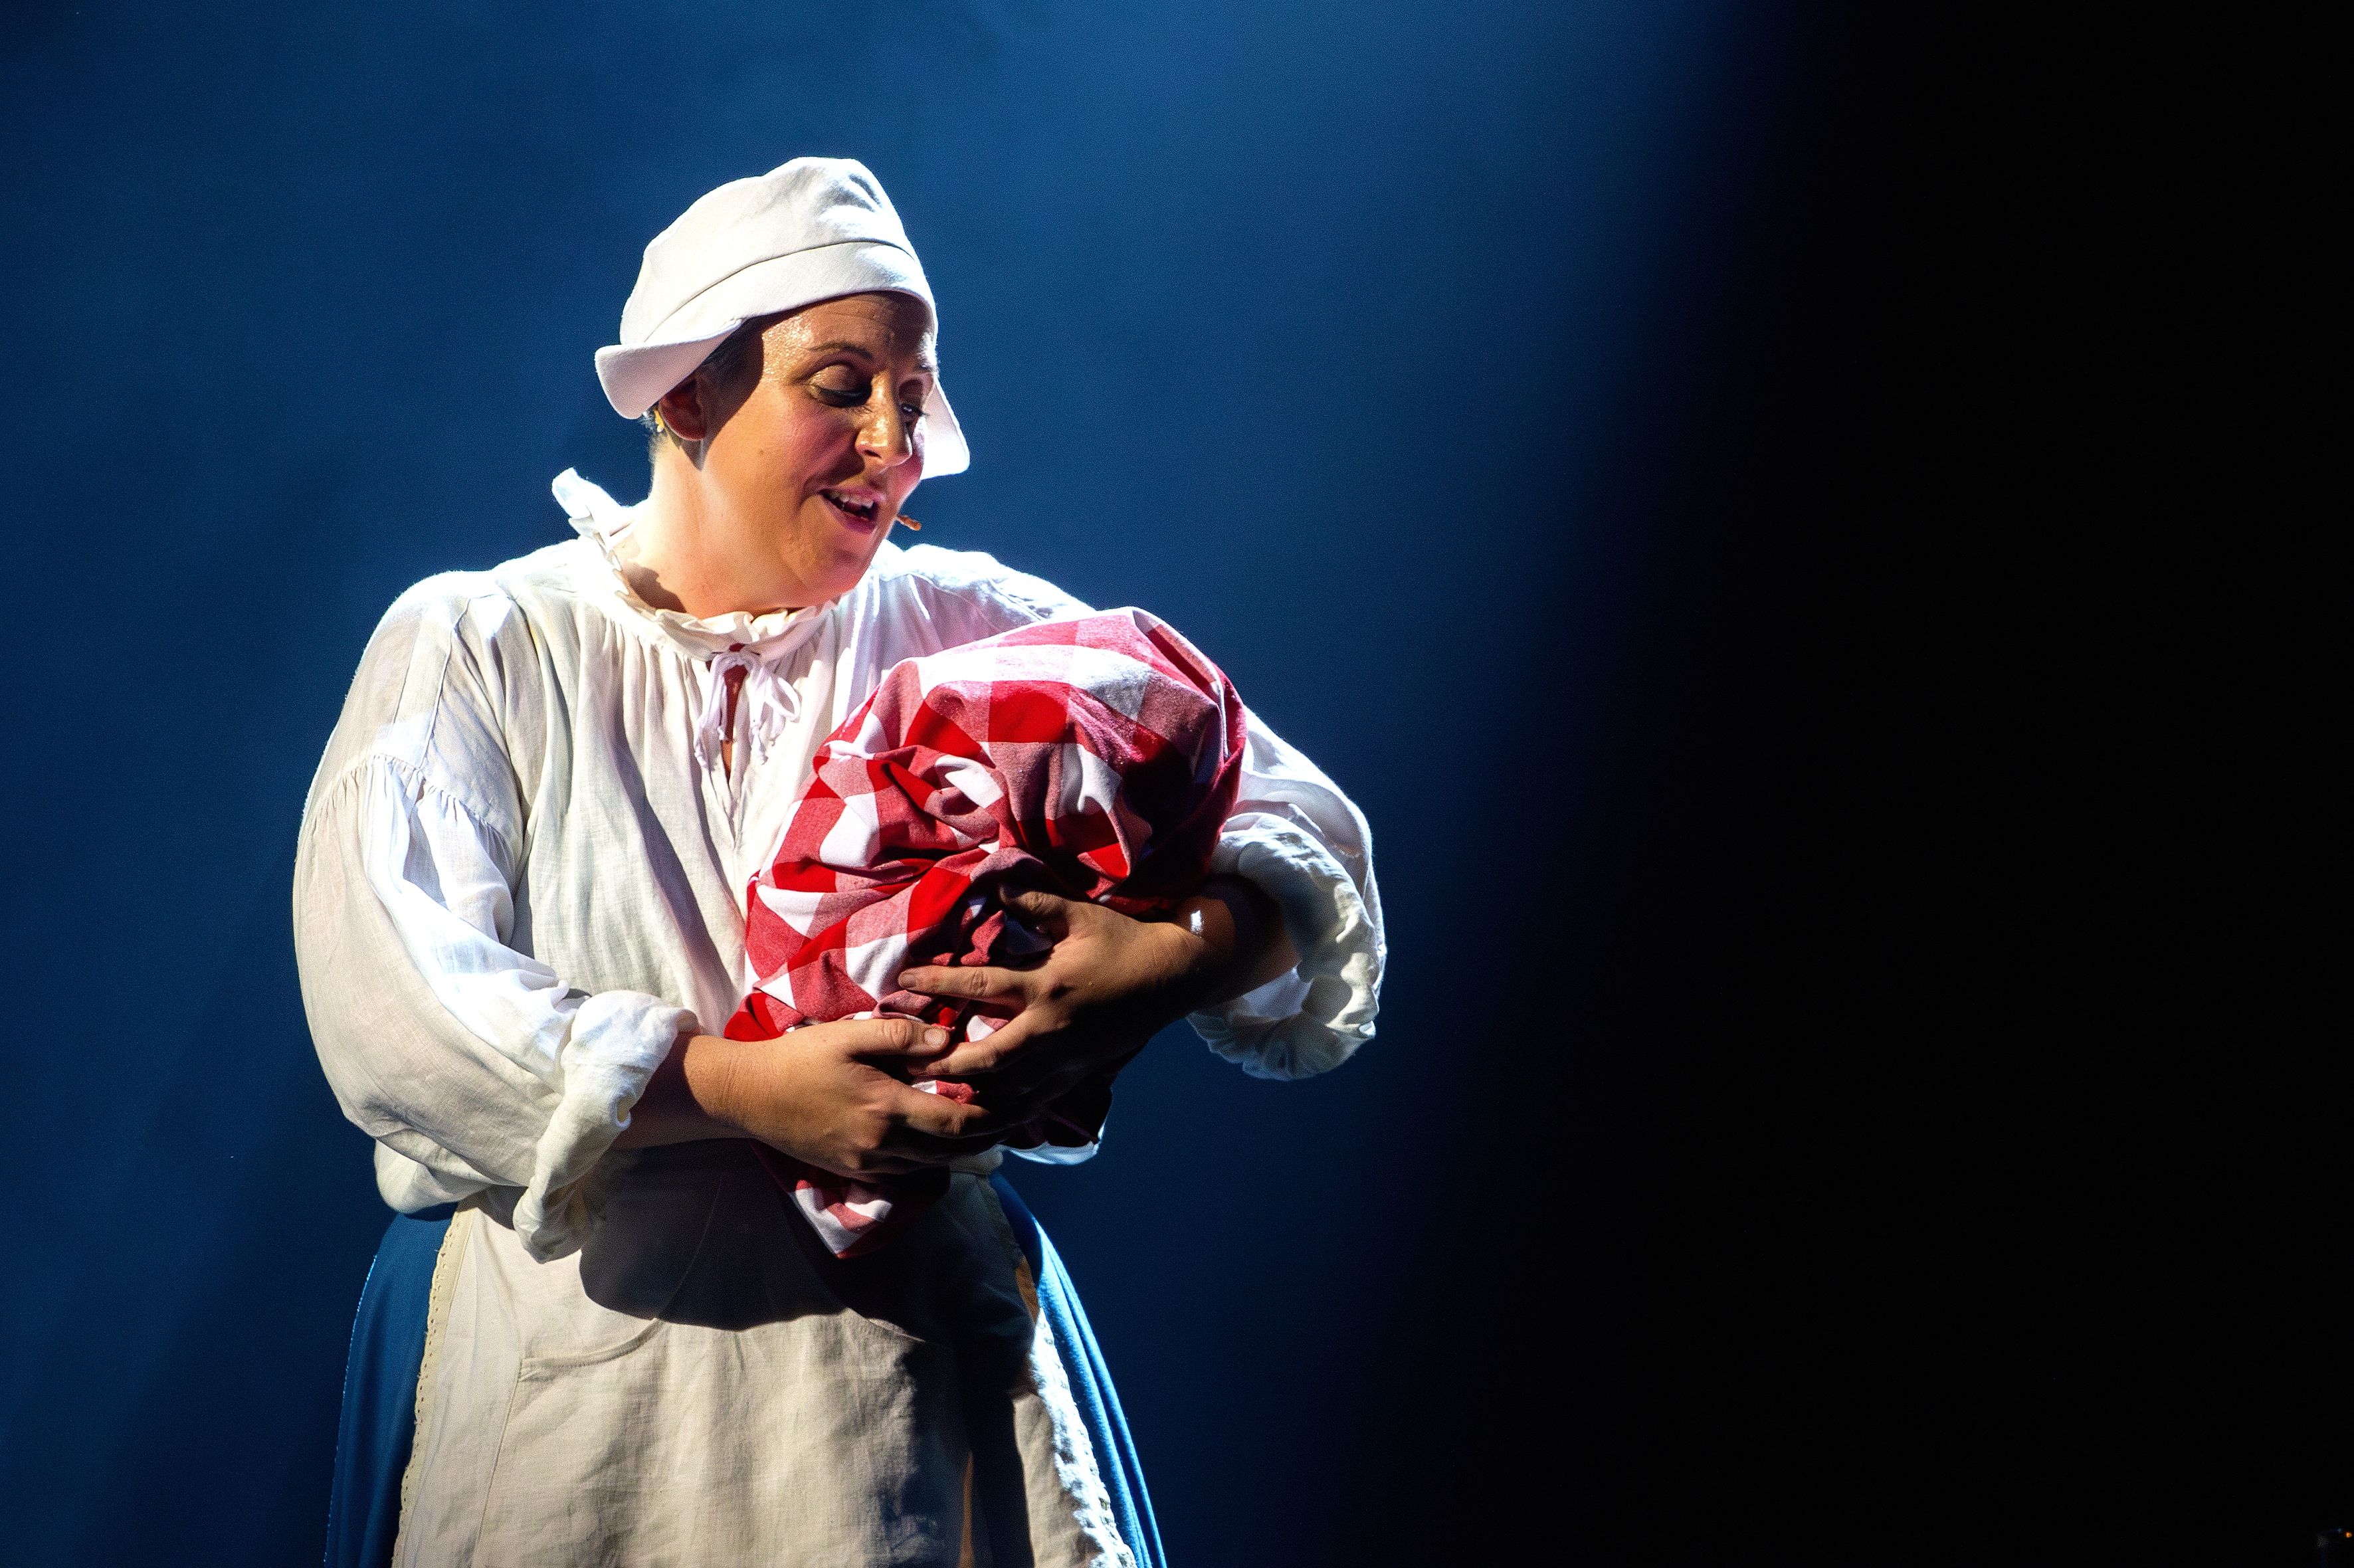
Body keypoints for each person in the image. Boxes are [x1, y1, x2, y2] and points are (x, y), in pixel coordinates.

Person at [296, 157, 1384, 1567]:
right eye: (839, 385)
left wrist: (1169, 959)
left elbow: (1302, 831)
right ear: (687, 393)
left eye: (911, 394)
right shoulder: (490, 642)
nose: (896, 438)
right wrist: (739, 1088)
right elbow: (395, 999)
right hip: (597, 1375)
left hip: (910, 1392)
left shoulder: (974, 625)